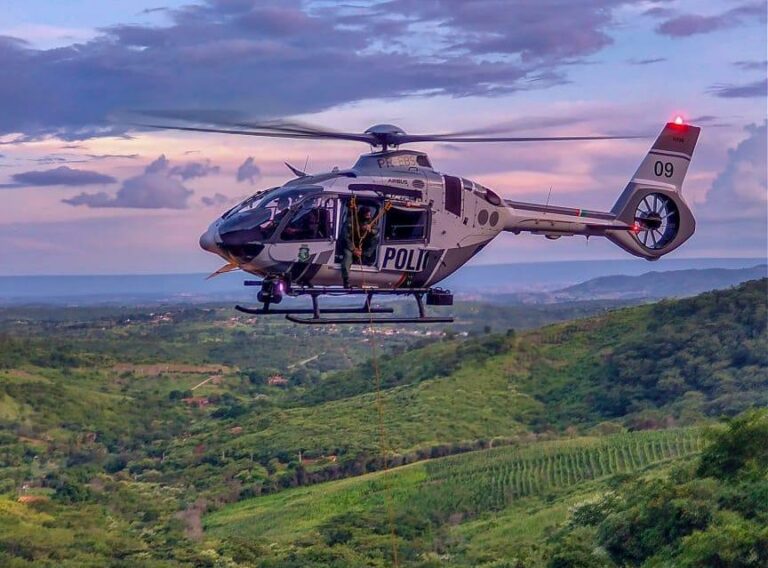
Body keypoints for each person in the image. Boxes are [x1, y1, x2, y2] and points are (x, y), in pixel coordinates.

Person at [340, 205, 378, 288]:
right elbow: (345, 237)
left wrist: (370, 230)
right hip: (349, 244)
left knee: (375, 238)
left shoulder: (370, 221)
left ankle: (365, 256)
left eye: (369, 216)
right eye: (366, 216)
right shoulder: (351, 221)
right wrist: (354, 249)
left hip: (362, 245)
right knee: (347, 256)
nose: (368, 217)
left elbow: (376, 230)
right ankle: (346, 280)